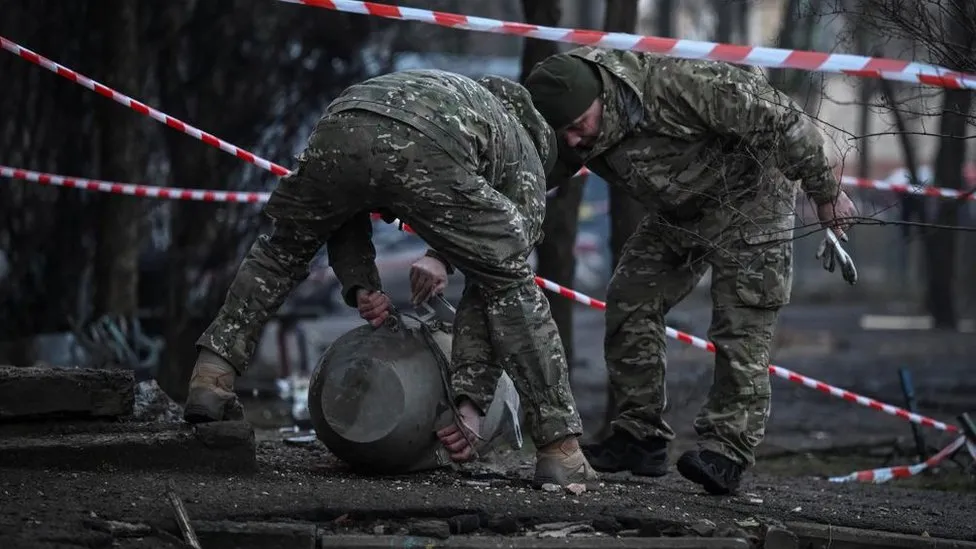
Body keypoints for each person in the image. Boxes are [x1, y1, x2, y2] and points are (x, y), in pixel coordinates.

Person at [181, 68, 598, 492]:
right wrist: (472, 398)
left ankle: (211, 375)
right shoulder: (527, 156)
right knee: (512, 287)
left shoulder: (464, 95)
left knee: (282, 250)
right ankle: (560, 447)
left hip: (344, 117)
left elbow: (348, 200)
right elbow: (494, 283)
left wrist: (361, 284)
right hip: (428, 142)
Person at [523, 47, 857, 495]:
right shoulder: (572, 128)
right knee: (630, 298)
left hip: (751, 199)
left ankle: (727, 452)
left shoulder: (680, 85)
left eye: (579, 127)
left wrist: (826, 190)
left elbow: (783, 118)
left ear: (600, 96)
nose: (574, 142)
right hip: (681, 210)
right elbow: (522, 182)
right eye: (563, 134)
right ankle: (639, 438)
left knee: (742, 324)